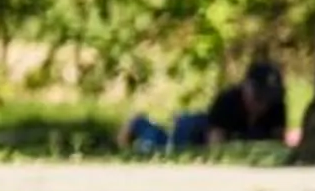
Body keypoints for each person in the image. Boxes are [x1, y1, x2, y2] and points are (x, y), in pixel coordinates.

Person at [122, 60, 288, 154]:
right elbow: (215, 145)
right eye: (258, 97)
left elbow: (278, 143)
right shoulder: (228, 101)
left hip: (236, 138)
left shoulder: (277, 107)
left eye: (268, 98)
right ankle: (139, 124)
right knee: (162, 145)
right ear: (246, 87)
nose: (262, 105)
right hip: (196, 133)